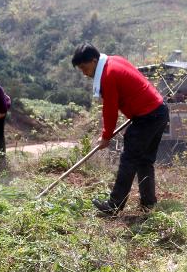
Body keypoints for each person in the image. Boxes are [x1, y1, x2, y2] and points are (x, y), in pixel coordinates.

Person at [71, 42, 169, 216]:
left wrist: (106, 136)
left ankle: (114, 206)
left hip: (147, 117)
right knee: (144, 161)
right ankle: (148, 203)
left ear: (93, 61)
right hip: (158, 111)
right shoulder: (114, 60)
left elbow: (110, 109)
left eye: (84, 68)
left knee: (129, 160)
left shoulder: (109, 74)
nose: (85, 74)